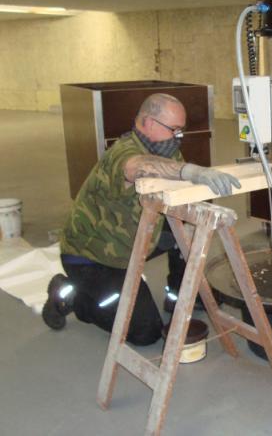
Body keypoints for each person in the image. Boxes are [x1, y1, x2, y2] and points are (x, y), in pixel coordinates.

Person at [42, 93, 241, 346]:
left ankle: (177, 295)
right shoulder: (123, 153)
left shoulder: (165, 149)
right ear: (148, 123)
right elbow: (137, 166)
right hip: (93, 257)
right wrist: (190, 171)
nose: (178, 136)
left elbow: (175, 192)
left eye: (181, 129)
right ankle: (72, 296)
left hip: (134, 240)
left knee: (187, 234)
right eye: (174, 129)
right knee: (145, 332)